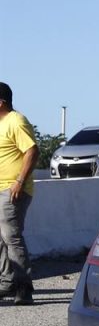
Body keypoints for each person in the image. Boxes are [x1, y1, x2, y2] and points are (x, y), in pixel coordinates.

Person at [0, 83, 38, 307]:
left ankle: (24, 286)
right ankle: (7, 282)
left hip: (12, 190)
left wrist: (19, 182)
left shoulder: (16, 121)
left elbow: (32, 151)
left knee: (11, 237)